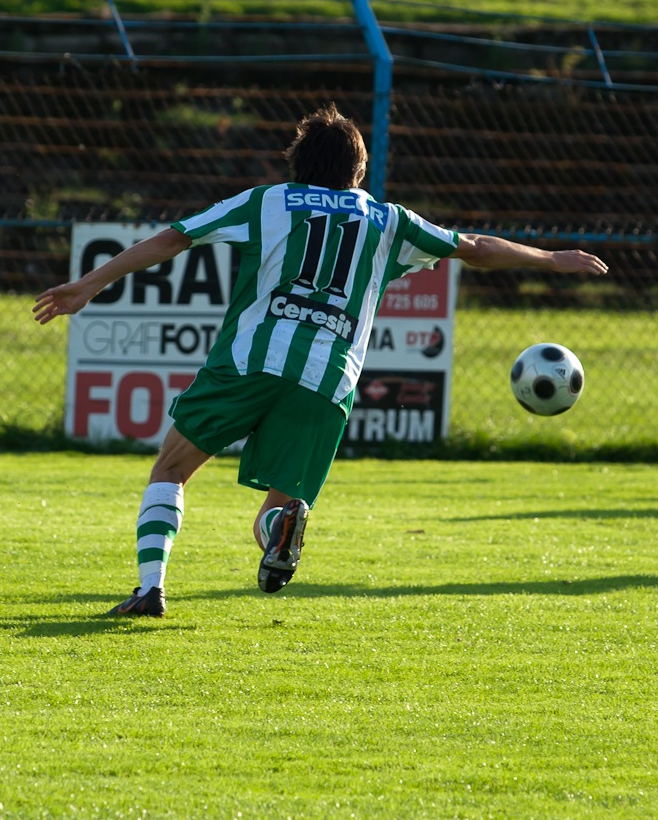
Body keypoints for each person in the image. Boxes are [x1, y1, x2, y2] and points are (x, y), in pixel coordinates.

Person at [33, 104, 609, 617]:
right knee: (279, 507)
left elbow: (172, 239)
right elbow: (475, 249)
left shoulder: (267, 202)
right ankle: (279, 529)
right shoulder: (389, 220)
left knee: (172, 470)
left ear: (296, 164)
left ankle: (151, 587)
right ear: (359, 171)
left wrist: (87, 284)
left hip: (248, 362)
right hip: (327, 380)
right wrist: (552, 258)